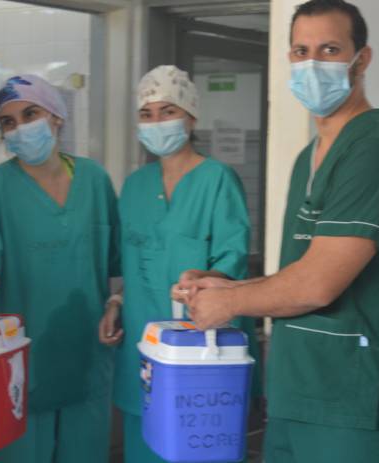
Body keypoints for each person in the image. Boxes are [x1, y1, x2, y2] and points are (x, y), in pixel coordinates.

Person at [176, 1, 379, 462]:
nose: (312, 64)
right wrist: (229, 287)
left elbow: (316, 285)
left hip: (353, 404)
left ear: (361, 59)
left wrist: (229, 304)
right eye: (300, 51)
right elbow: (300, 271)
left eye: (330, 50)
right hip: (297, 391)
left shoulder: (374, 153)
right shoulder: (308, 158)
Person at [0, 74, 121, 463]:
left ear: (57, 117)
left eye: (30, 114)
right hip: (21, 363)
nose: (20, 128)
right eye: (8, 122)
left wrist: (117, 302)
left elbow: (116, 263)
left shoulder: (94, 180)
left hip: (87, 355)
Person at [99, 64, 259, 463]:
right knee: (145, 444)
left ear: (191, 117)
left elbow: (233, 261)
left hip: (202, 351)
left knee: (200, 442)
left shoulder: (217, 180)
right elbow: (135, 263)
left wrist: (206, 277)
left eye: (167, 111)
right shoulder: (135, 187)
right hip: (145, 347)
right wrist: (117, 303)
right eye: (146, 114)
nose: (157, 122)